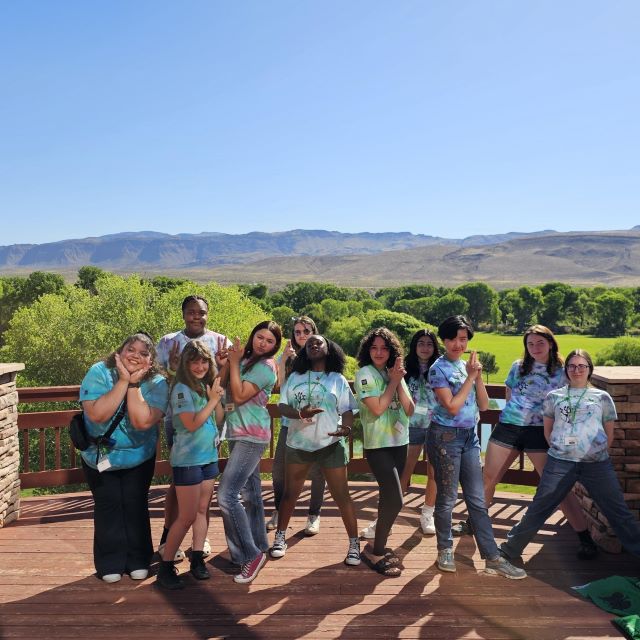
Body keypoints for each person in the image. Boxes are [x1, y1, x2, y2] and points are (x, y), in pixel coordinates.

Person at [500, 349, 640, 562]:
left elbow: (609, 432)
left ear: (589, 369)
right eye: (572, 366)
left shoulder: (602, 397)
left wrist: (598, 451)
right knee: (540, 506)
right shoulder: (554, 397)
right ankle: (510, 549)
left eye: (582, 366)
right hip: (560, 462)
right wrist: (560, 449)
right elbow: (548, 430)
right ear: (566, 370)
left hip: (596, 464)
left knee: (618, 512)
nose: (576, 370)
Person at [477, 325, 595, 558]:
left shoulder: (563, 371)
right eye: (530, 344)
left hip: (541, 431)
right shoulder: (518, 366)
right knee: (488, 479)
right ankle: (477, 523)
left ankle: (585, 538)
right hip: (509, 427)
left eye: (540, 343)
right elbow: (509, 393)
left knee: (557, 488)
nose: (534, 348)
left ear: (551, 343)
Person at [426, 315, 526, 579]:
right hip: (445, 438)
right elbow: (452, 406)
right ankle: (444, 549)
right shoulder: (438, 369)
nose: (458, 344)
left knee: (477, 500)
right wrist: (470, 377)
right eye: (452, 339)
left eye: (463, 339)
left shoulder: (464, 367)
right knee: (447, 498)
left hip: (469, 437)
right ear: (444, 341)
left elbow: (483, 405)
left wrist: (478, 377)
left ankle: (492, 557)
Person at [80, 332, 169, 584]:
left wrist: (133, 385)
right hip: (99, 455)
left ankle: (139, 560)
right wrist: (122, 380)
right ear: (120, 351)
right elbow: (97, 415)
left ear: (150, 361)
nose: (136, 356)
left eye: (143, 353)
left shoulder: (158, 382)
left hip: (139, 457)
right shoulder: (99, 372)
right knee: (108, 507)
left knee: (135, 505)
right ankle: (110, 562)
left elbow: (142, 422)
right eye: (131, 350)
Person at [271, 335, 360, 566]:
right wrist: (300, 414)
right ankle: (280, 538)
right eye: (309, 343)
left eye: (319, 342)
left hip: (330, 445)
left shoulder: (337, 379)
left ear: (329, 348)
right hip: (298, 444)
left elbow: (348, 409)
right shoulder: (294, 378)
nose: (313, 344)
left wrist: (347, 428)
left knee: (342, 495)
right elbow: (282, 406)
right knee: (291, 493)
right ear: (305, 351)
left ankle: (353, 544)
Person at [156, 295, 231, 561]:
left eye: (201, 312)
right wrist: (173, 371)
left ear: (208, 314)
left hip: (210, 425)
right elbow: (156, 376)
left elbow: (228, 380)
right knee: (180, 482)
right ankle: (169, 536)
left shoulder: (221, 342)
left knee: (203, 492)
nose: (196, 317)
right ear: (183, 314)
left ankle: (201, 540)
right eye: (191, 312)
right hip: (180, 419)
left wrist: (224, 366)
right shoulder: (167, 342)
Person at [156, 341, 226, 590]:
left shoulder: (204, 387)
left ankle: (197, 560)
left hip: (208, 457)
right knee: (185, 516)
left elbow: (218, 419)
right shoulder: (181, 390)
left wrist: (215, 399)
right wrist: (212, 400)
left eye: (204, 361)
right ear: (185, 364)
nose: (200, 366)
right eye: (194, 361)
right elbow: (192, 423)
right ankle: (165, 569)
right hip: (188, 460)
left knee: (201, 510)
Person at [217, 320, 282, 584]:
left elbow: (241, 394)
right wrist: (225, 363)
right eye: (260, 337)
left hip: (251, 437)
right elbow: (223, 389)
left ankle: (250, 555)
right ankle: (257, 546)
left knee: (226, 495)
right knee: (252, 493)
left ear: (275, 346)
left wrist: (233, 363)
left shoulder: (267, 367)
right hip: (236, 431)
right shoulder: (244, 360)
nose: (263, 343)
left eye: (269, 341)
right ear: (253, 336)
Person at [355, 327, 414, 577]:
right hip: (378, 445)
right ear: (368, 350)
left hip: (400, 442)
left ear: (392, 351)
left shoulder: (394, 373)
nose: (379, 352)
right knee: (397, 499)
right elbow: (377, 409)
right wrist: (393, 381)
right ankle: (376, 550)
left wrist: (397, 380)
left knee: (388, 498)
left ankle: (377, 546)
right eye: (374, 347)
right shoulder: (364, 374)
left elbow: (410, 409)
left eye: (384, 348)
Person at [267, 316, 327, 536]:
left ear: (314, 332)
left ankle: (314, 514)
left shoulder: (323, 355)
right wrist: (283, 361)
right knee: (279, 471)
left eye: (306, 331)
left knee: (317, 471)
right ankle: (278, 510)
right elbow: (281, 388)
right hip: (290, 422)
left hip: (316, 423)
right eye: (298, 332)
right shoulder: (292, 358)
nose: (302, 335)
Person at [400, 329, 440, 535]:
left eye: (429, 344)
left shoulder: (441, 368)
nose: (425, 348)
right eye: (421, 343)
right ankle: (392, 510)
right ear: (414, 346)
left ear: (434, 347)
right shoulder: (405, 368)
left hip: (435, 425)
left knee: (433, 472)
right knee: (404, 471)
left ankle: (427, 513)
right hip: (411, 425)